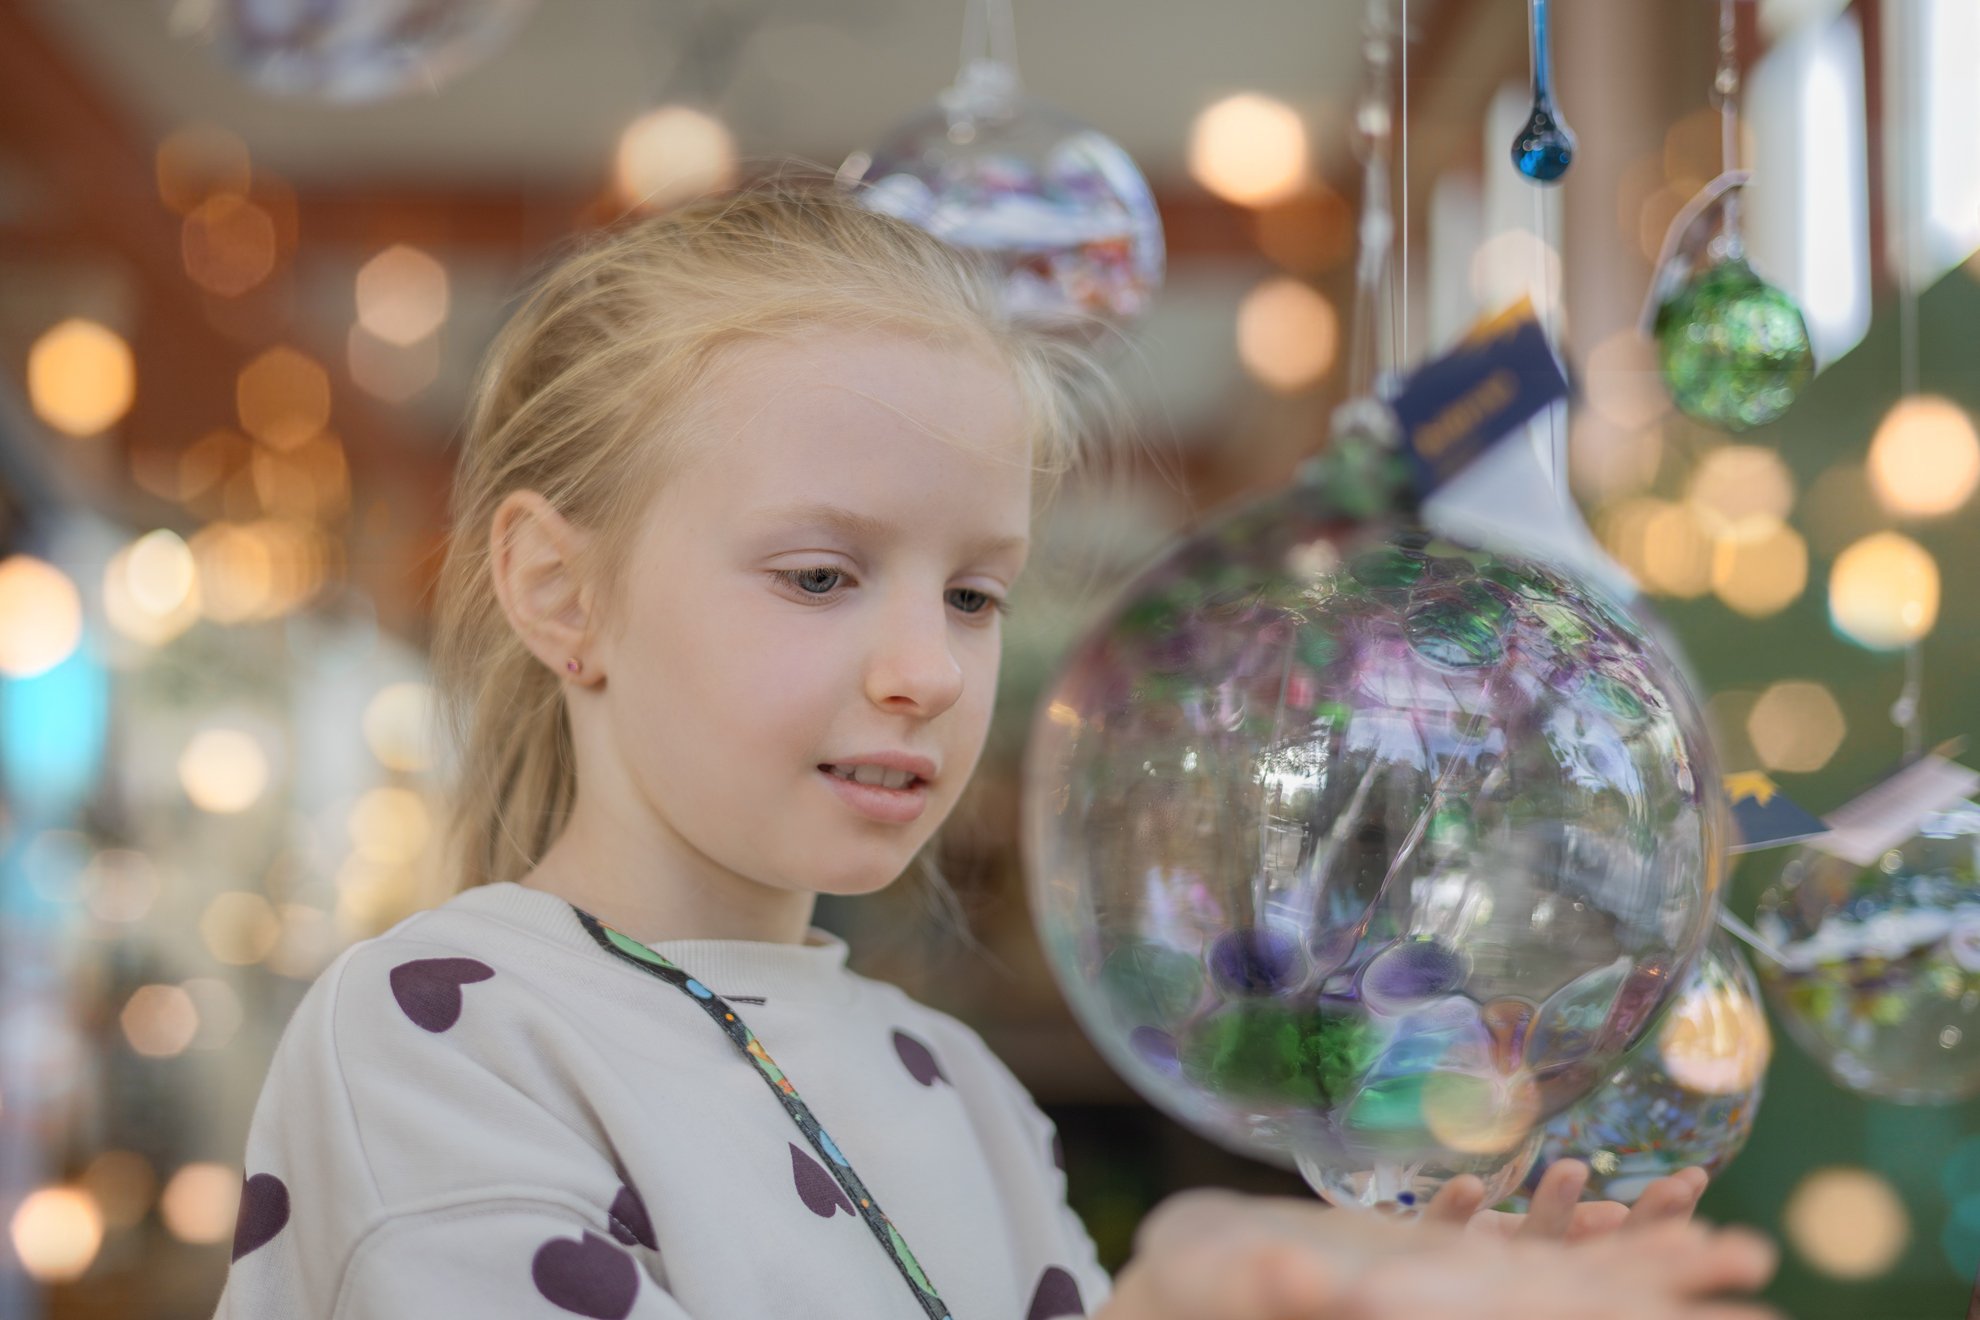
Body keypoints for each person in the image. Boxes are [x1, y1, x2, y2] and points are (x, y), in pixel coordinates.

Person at [209, 182, 1778, 1319]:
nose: (923, 672)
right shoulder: (439, 1036)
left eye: (974, 594)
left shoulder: (958, 1092)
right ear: (561, 592)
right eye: (820, 577)